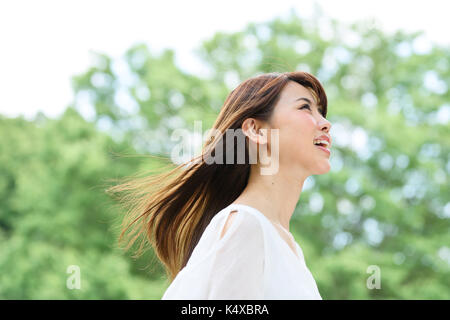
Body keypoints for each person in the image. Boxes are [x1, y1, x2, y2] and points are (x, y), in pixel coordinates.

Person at [108, 71, 332, 299]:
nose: (325, 123)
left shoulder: (289, 249)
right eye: (305, 107)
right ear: (256, 130)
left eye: (321, 113)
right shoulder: (247, 226)